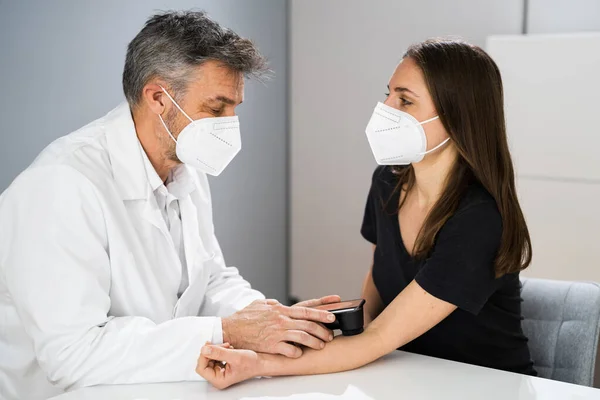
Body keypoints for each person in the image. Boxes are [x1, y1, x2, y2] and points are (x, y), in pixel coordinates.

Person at [0, 11, 339, 400]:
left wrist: (269, 319)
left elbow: (210, 277)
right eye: (216, 108)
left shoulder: (185, 167)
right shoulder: (59, 186)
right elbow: (73, 355)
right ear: (158, 98)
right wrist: (226, 331)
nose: (230, 124)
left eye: (235, 108)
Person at [196, 38, 537, 389]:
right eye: (388, 94)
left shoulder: (480, 220)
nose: (385, 108)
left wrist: (257, 364)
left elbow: (378, 339)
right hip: (410, 378)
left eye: (404, 100)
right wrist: (315, 331)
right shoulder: (387, 183)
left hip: (487, 388)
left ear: (456, 116)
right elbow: (373, 311)